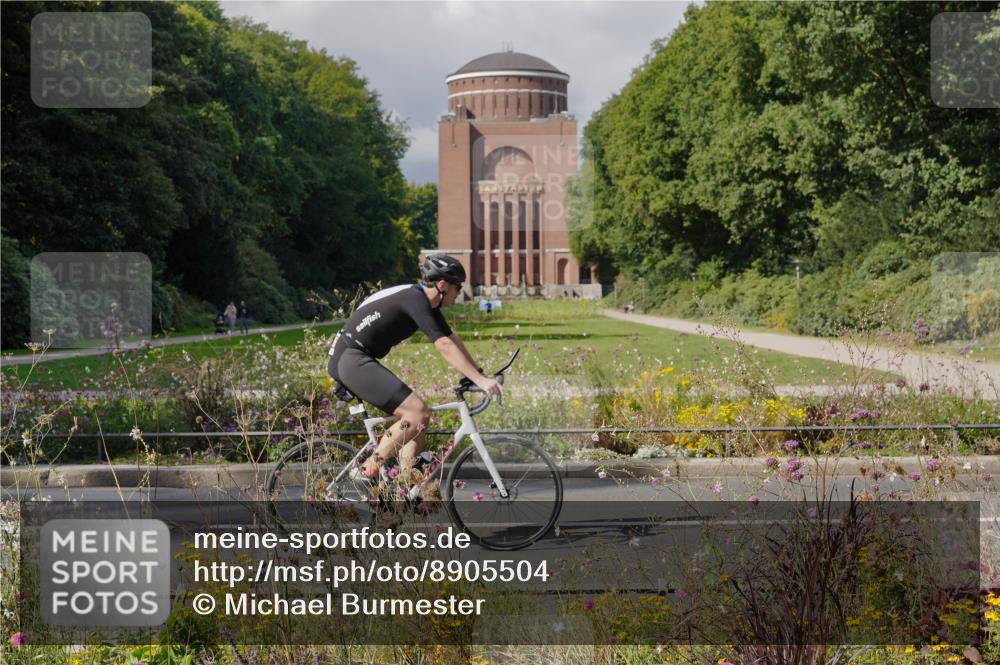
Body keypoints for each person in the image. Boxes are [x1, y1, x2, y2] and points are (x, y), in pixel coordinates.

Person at [328, 254, 502, 480]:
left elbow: (451, 338)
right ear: (442, 285)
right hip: (351, 358)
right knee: (415, 412)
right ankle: (366, 471)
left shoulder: (425, 303)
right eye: (457, 287)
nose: (459, 293)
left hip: (357, 357)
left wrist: (478, 374)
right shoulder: (414, 298)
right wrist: (481, 382)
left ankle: (404, 485)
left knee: (421, 417)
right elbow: (444, 346)